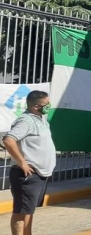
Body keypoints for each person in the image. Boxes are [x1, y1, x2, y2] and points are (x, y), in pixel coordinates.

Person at [2, 90, 56, 235]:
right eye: (46, 104)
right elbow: (8, 140)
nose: (49, 106)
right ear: (36, 106)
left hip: (39, 174)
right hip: (27, 175)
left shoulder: (40, 118)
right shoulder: (25, 121)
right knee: (20, 213)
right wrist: (22, 162)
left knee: (28, 212)